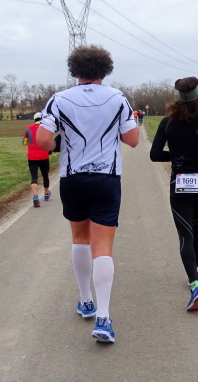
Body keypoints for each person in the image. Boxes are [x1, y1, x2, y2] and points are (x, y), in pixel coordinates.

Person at [36, 45, 139, 343]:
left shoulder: (59, 99)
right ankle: (103, 319)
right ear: (105, 70)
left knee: (80, 238)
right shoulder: (118, 98)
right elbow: (132, 139)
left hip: (73, 178)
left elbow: (42, 138)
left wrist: (58, 146)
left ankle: (85, 301)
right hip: (106, 178)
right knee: (102, 245)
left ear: (75, 70)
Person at [149, 77, 198, 311]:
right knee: (196, 227)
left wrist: (177, 155)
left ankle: (195, 284)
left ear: (177, 99)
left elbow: (155, 155)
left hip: (180, 182)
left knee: (185, 233)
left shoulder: (167, 123)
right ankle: (194, 273)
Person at [23, 112, 52, 208]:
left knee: (34, 177)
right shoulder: (46, 129)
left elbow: (24, 143)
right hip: (44, 156)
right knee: (45, 175)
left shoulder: (28, 129)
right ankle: (46, 194)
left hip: (32, 157)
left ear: (34, 119)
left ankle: (35, 197)